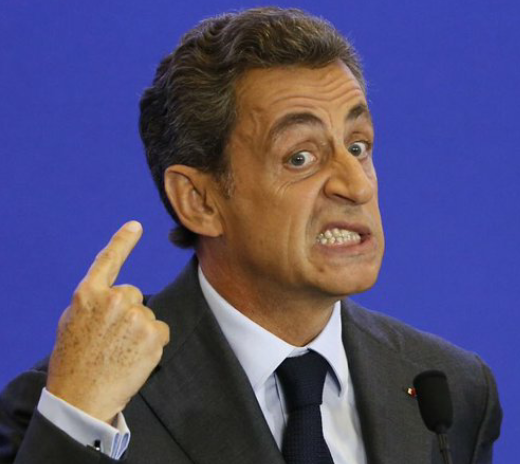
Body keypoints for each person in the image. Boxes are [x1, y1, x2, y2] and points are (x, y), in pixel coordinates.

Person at [0, 7, 501, 464]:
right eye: (300, 157)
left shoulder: (450, 388)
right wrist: (78, 419)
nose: (357, 185)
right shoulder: (75, 402)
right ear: (199, 201)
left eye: (358, 146)